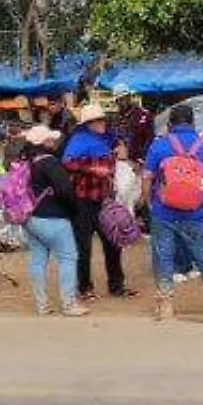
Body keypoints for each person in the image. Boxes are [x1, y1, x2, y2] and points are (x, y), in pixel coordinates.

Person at [141, 104, 203, 320]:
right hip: (195, 213)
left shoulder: (159, 146)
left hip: (163, 212)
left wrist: (150, 204)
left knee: (163, 256)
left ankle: (165, 304)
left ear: (170, 124)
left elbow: (146, 179)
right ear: (192, 123)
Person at [62, 104, 138, 300]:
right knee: (83, 247)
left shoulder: (106, 139)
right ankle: (84, 288)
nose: (102, 123)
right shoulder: (79, 140)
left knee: (113, 242)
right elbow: (67, 162)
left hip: (104, 199)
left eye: (102, 119)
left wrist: (118, 151)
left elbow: (119, 150)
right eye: (97, 120)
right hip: (83, 201)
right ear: (88, 124)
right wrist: (93, 168)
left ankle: (116, 286)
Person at [20, 125, 89, 317]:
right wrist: (75, 210)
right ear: (44, 142)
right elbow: (66, 190)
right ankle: (69, 303)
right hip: (54, 218)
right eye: (50, 139)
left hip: (31, 218)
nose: (53, 142)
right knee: (68, 258)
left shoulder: (27, 162)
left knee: (37, 260)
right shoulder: (49, 162)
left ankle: (41, 305)